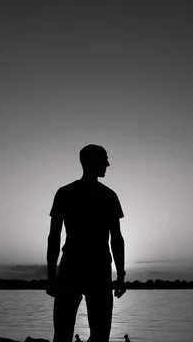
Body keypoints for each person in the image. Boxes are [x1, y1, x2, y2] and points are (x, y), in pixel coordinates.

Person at [47, 144, 126, 342]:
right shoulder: (107, 195)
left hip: (76, 266)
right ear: (90, 162)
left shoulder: (65, 192)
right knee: (95, 335)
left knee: (64, 334)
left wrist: (51, 276)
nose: (108, 163)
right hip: (94, 268)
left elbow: (54, 237)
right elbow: (116, 238)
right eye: (104, 159)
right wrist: (121, 274)